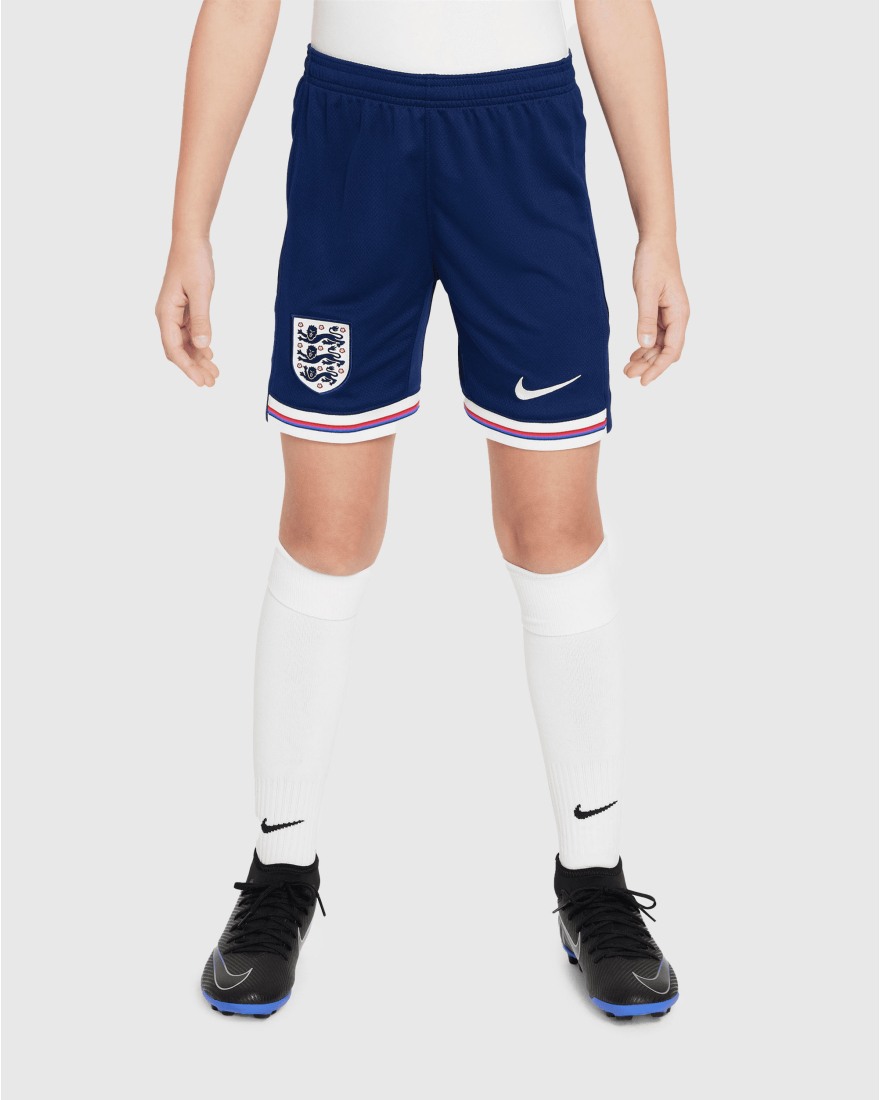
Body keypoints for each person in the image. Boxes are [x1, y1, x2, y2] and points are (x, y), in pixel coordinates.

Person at [156, 0, 690, 1021]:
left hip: (521, 138)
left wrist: (658, 228)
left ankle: (593, 872)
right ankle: (281, 866)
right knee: (325, 529)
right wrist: (190, 228)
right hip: (354, 139)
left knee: (553, 529)